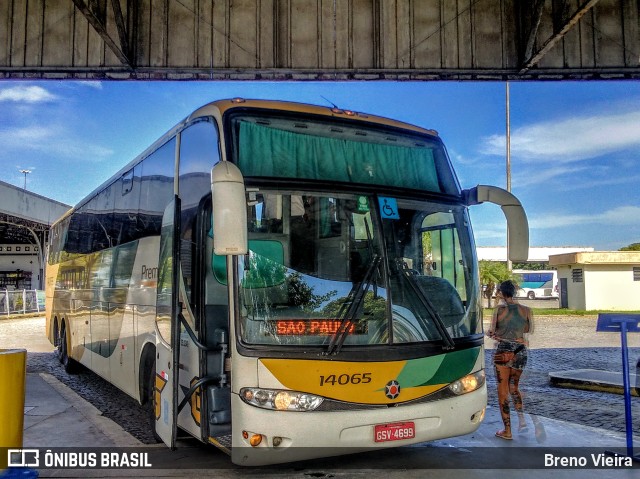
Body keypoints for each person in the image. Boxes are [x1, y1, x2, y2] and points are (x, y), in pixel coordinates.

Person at [486, 280, 534, 440]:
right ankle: (522, 422)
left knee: (502, 390)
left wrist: (493, 334)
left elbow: (492, 331)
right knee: (514, 387)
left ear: (501, 292)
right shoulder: (527, 310)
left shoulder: (499, 310)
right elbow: (528, 330)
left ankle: (507, 430)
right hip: (520, 352)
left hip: (504, 352)